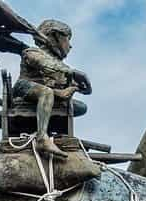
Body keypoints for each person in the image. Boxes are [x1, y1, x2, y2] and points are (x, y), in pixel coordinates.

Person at [13, 19, 92, 158]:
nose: (70, 46)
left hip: (49, 96)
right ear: (56, 36)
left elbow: (67, 79)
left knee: (80, 107)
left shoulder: (59, 63)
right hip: (25, 90)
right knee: (46, 92)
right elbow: (44, 64)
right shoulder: (31, 52)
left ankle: (57, 133)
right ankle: (42, 138)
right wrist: (73, 72)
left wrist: (77, 87)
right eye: (68, 39)